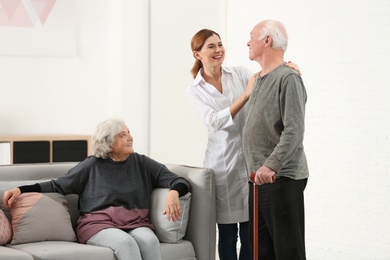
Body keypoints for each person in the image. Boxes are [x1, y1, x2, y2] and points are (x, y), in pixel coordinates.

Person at [2, 118, 191, 260]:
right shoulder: (92, 165)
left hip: (136, 223)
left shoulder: (141, 163)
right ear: (108, 142)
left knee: (150, 241)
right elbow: (58, 184)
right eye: (122, 135)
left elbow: (180, 181)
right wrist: (21, 189)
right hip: (98, 225)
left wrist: (174, 192)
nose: (130, 138)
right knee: (126, 244)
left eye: (129, 132)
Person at [186, 29, 301, 260]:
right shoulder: (194, 90)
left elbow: (268, 76)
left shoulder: (239, 73)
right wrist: (245, 96)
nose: (218, 50)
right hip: (222, 165)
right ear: (197, 54)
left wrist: (290, 68)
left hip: (250, 161)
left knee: (251, 232)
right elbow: (215, 121)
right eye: (211, 47)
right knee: (228, 234)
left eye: (219, 44)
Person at [242, 20, 309, 260]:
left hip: (281, 179)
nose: (247, 41)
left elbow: (294, 130)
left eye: (251, 36)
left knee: (287, 252)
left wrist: (271, 165)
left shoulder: (288, 78)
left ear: (267, 40)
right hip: (258, 181)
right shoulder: (258, 79)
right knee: (262, 252)